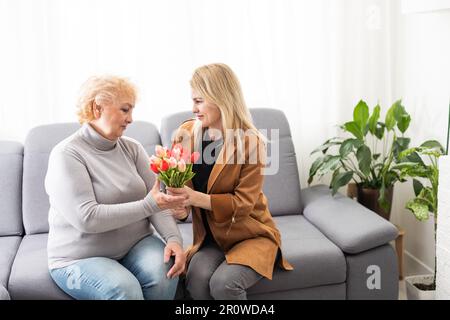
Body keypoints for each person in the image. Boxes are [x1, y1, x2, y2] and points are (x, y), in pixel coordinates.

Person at [45, 75, 187, 300]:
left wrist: (173, 239)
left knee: (165, 273)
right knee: (124, 289)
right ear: (96, 107)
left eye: (131, 111)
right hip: (80, 258)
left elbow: (157, 200)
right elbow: (87, 218)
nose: (130, 119)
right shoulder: (67, 154)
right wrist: (146, 206)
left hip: (135, 244)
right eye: (124, 109)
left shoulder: (132, 148)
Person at [167, 63, 293, 300]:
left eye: (199, 101)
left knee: (224, 285)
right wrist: (180, 209)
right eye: (193, 100)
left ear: (220, 98)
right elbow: (182, 197)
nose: (193, 108)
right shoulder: (186, 134)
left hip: (250, 235)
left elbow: (243, 204)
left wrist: (195, 198)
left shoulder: (250, 142)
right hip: (211, 239)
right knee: (194, 281)